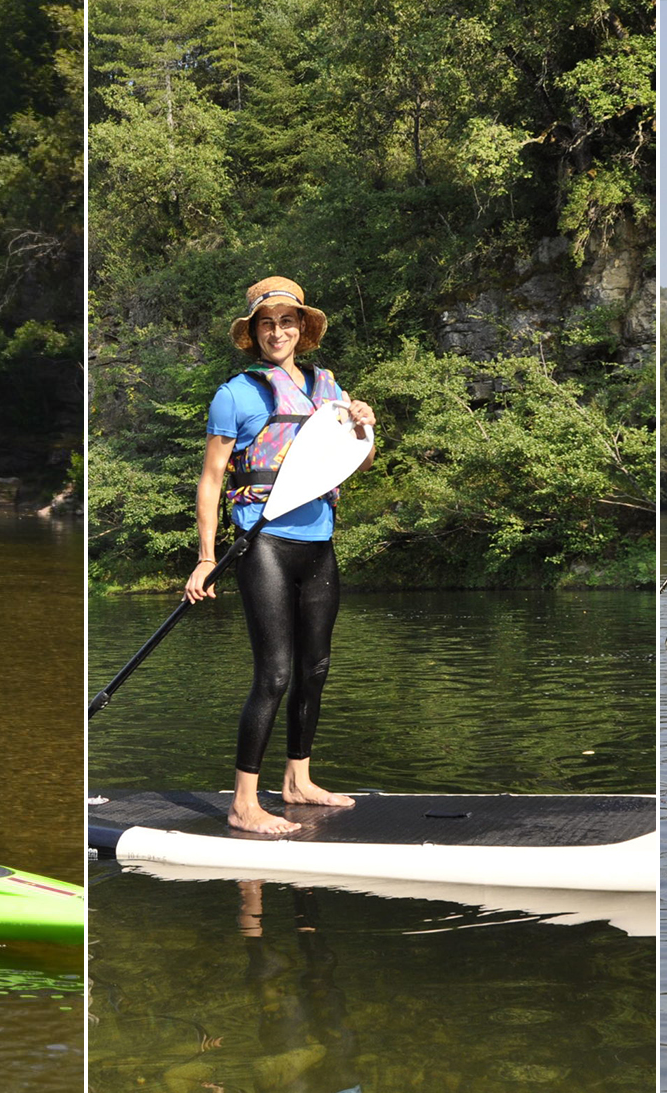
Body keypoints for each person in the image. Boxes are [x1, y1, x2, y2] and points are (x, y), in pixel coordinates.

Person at [184, 277, 376, 835]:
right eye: (266, 323)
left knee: (315, 669)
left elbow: (353, 465)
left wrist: (363, 427)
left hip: (318, 542)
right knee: (275, 673)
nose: (277, 331)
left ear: (302, 329)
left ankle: (298, 779)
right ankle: (244, 802)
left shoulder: (329, 390)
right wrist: (205, 557)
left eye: (287, 322)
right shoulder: (235, 394)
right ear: (252, 332)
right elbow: (212, 479)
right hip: (261, 542)